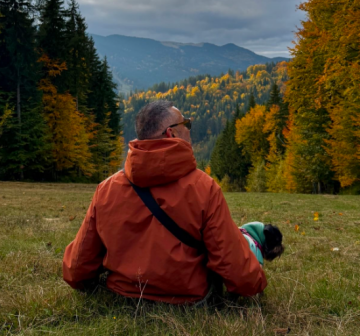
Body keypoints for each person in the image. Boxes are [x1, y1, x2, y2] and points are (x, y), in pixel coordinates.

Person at [63, 100, 267, 304]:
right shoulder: (205, 188)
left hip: (122, 296)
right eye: (186, 123)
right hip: (187, 301)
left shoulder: (106, 188)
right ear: (172, 134)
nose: (189, 128)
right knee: (245, 243)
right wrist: (256, 285)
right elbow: (237, 270)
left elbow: (77, 267)